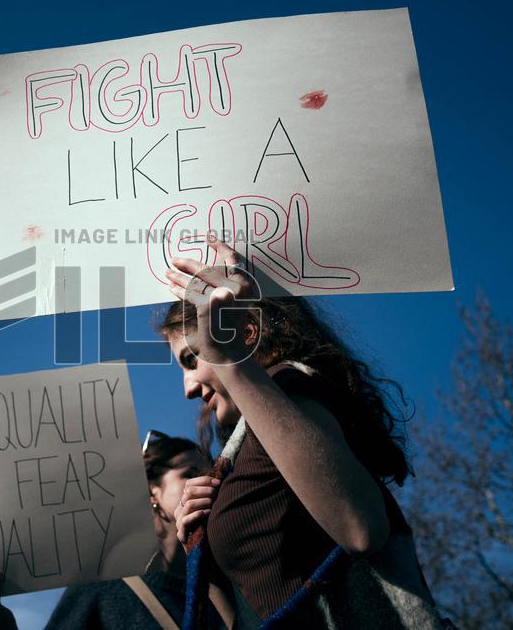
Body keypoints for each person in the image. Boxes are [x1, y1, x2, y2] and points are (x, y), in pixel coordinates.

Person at [161, 239, 444, 628]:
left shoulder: (288, 388)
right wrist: (197, 548)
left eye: (192, 359)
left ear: (245, 332)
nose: (188, 388)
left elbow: (360, 529)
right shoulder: (234, 456)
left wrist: (228, 360)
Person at [0, 433, 232, 629]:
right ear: (151, 492)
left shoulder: (228, 583)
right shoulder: (105, 587)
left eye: (208, 472)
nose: (204, 481)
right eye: (189, 472)